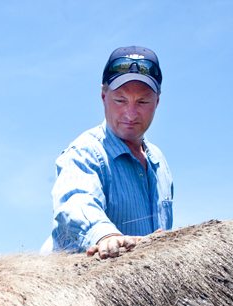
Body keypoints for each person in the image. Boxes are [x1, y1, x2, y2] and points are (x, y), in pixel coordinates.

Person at [44, 45, 173, 259]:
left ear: (157, 102)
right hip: (74, 284)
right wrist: (105, 235)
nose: (130, 114)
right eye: (120, 100)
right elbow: (76, 200)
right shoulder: (85, 151)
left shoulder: (159, 161)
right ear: (104, 96)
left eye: (142, 102)